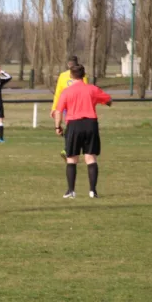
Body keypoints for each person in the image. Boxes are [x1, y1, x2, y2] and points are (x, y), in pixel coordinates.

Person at [54, 65, 112, 199]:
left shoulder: (67, 91)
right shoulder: (92, 89)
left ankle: (71, 191)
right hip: (90, 124)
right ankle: (92, 191)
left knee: (71, 159)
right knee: (91, 158)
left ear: (71, 76)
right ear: (84, 75)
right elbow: (109, 100)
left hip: (74, 124)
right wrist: (103, 102)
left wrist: (58, 127)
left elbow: (58, 111)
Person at [51, 56, 88, 159]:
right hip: (79, 107)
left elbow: (58, 93)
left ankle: (68, 149)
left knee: (70, 128)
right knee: (79, 130)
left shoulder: (62, 76)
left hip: (66, 106)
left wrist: (54, 108)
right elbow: (86, 91)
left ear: (68, 64)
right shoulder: (82, 76)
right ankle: (69, 149)